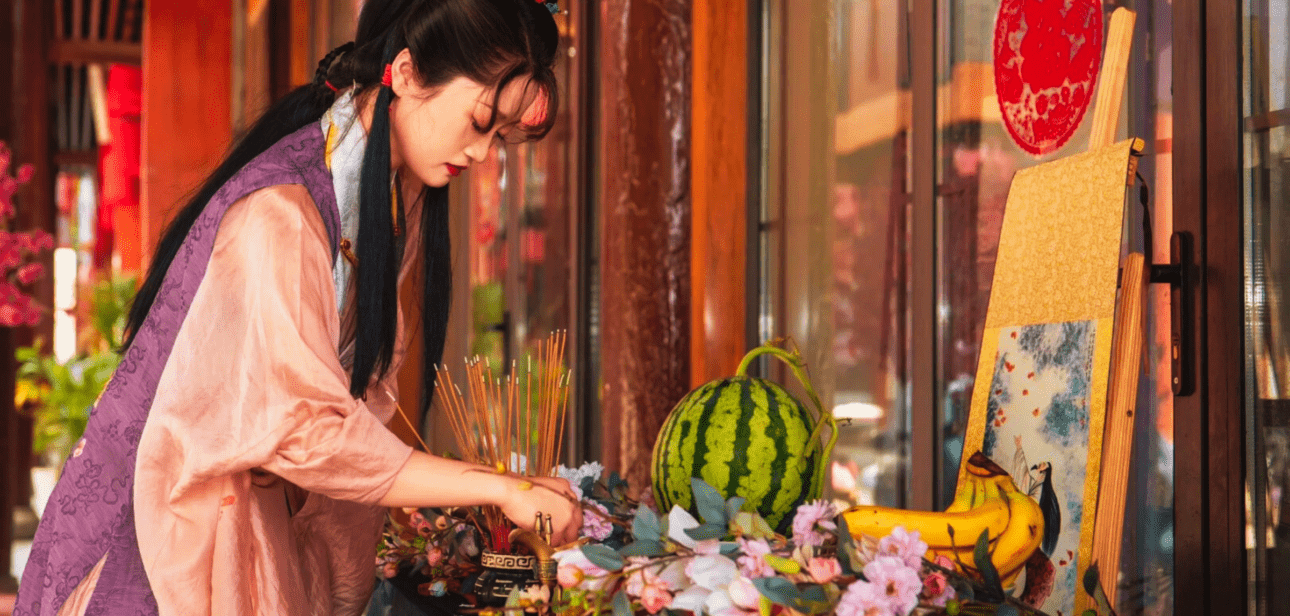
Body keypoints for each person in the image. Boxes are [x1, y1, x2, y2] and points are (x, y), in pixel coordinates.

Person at [15, 0, 581, 614]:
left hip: (243, 515)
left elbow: (340, 412)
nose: (483, 156)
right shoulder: (280, 211)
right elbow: (305, 429)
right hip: (160, 537)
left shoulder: (389, 195)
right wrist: (502, 488)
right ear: (409, 73)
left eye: (499, 137)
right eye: (478, 123)